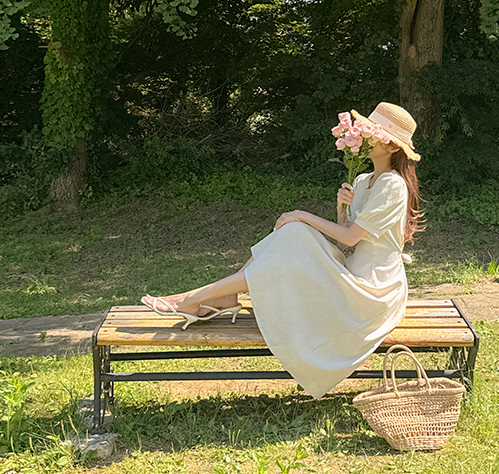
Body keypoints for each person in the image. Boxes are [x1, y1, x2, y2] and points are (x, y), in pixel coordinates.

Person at [142, 102, 425, 398]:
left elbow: (352, 239)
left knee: (296, 229)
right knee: (292, 233)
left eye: (375, 135)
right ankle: (217, 295)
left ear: (393, 147)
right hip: (350, 273)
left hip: (374, 291)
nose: (367, 139)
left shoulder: (393, 185)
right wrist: (342, 209)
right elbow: (344, 241)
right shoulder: (363, 180)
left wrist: (304, 214)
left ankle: (200, 298)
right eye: (369, 132)